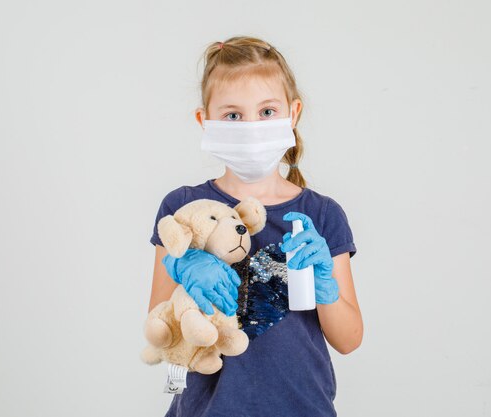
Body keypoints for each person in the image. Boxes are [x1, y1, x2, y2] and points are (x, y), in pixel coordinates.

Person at [148, 36, 363, 417]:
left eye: (267, 111)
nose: (251, 126)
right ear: (205, 120)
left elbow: (348, 340)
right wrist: (184, 267)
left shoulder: (322, 215)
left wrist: (325, 289)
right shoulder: (183, 209)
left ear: (292, 114)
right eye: (233, 115)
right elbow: (161, 332)